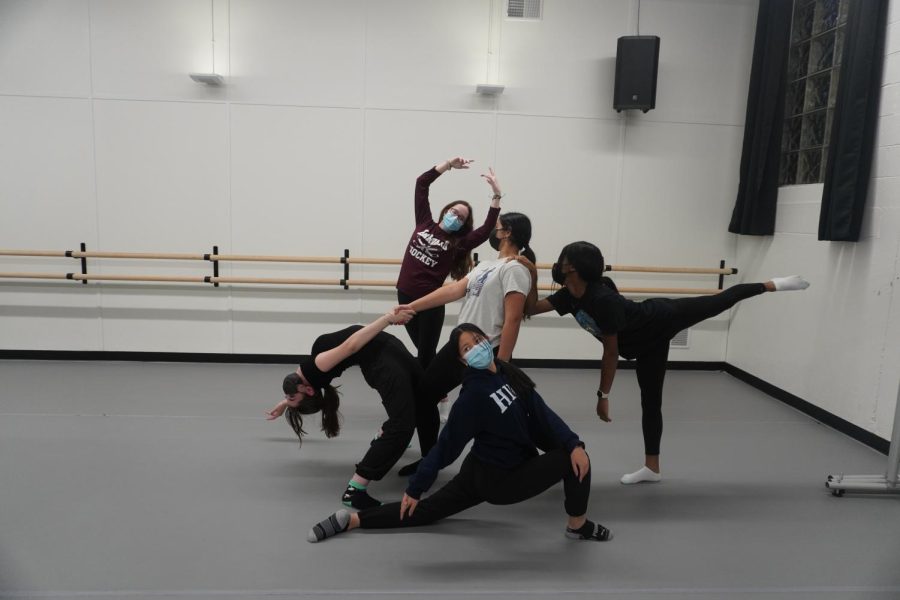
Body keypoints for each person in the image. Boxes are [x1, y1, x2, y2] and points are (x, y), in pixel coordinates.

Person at [521, 241, 810, 484]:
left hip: (662, 317)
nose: (558, 265)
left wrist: (603, 396)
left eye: (563, 261)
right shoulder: (567, 296)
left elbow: (611, 352)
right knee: (651, 402)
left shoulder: (602, 300)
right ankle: (652, 468)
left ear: (573, 268)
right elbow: (530, 308)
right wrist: (531, 274)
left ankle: (774, 284)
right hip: (647, 347)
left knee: (719, 301)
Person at [306, 323, 612, 544]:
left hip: (479, 472)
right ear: (463, 360)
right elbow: (446, 445)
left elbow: (543, 414)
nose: (476, 347)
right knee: (572, 462)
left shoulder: (507, 372)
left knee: (427, 512)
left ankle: (352, 521)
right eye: (467, 348)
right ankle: (578, 526)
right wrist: (416, 487)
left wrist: (573, 442)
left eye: (477, 340)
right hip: (500, 481)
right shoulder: (473, 394)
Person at [396, 212, 536, 473]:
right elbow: (452, 290)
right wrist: (411, 307)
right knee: (425, 395)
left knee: (487, 411)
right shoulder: (485, 265)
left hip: (484, 351)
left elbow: (513, 319)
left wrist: (502, 364)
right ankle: (430, 460)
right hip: (459, 344)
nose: (493, 233)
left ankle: (517, 459)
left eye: (497, 228)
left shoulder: (515, 269)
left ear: (507, 233)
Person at [266, 309, 430, 509]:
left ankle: (397, 444)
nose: (286, 393)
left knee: (424, 400)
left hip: (388, 348)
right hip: (383, 362)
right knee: (402, 425)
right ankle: (355, 490)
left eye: (288, 396)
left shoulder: (312, 371)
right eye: (291, 396)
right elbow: (352, 345)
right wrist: (388, 318)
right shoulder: (318, 367)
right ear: (308, 390)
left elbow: (299, 389)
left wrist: (285, 403)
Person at [397, 157, 503, 421]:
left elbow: (487, 229)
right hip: (405, 296)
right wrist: (447, 166)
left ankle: (421, 409)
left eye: (461, 217)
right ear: (445, 211)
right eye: (454, 212)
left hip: (430, 305)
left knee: (423, 357)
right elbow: (422, 184)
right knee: (426, 354)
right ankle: (440, 393)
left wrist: (496, 196)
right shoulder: (424, 222)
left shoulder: (458, 243)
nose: (456, 217)